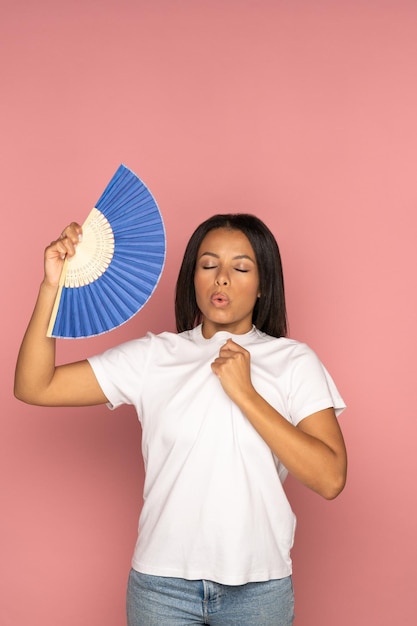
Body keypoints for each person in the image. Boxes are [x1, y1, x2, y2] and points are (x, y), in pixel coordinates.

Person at [14, 213, 347, 626]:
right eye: (209, 265)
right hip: (161, 589)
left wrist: (246, 394)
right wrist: (53, 287)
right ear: (193, 277)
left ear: (264, 285)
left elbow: (330, 477)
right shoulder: (154, 356)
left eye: (240, 267)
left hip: (259, 590)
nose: (221, 278)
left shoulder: (294, 361)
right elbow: (35, 385)